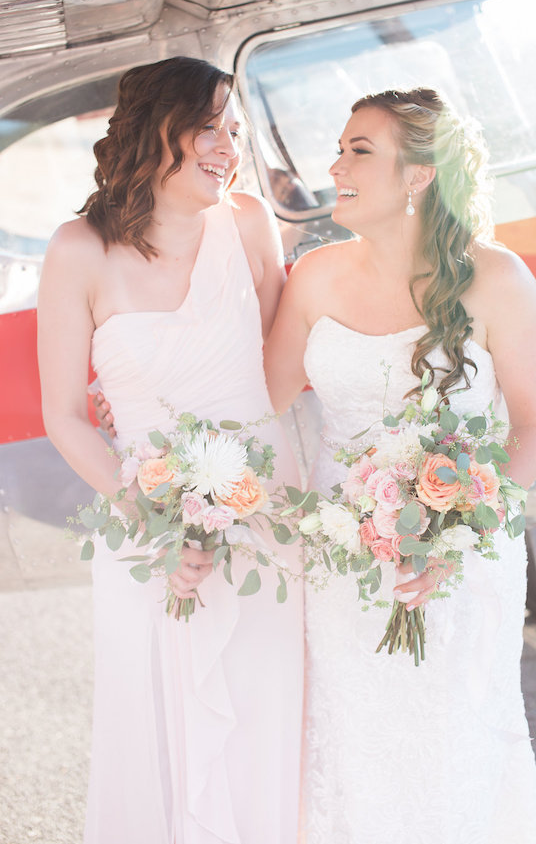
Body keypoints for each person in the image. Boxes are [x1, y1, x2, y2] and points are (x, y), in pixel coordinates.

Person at [263, 88, 536, 843]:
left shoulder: (497, 278)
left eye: (359, 150)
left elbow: (533, 426)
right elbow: (259, 398)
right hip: (342, 560)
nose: (335, 167)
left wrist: (458, 536)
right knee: (356, 749)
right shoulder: (313, 276)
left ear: (419, 174)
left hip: (462, 561)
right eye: (339, 149)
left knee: (453, 752)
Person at [37, 56, 304, 844]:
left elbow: (279, 371)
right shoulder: (77, 250)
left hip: (265, 522)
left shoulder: (249, 224)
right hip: (144, 529)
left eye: (236, 131)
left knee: (265, 723)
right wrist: (155, 517)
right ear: (159, 127)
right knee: (160, 734)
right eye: (211, 127)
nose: (230, 147)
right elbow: (65, 416)